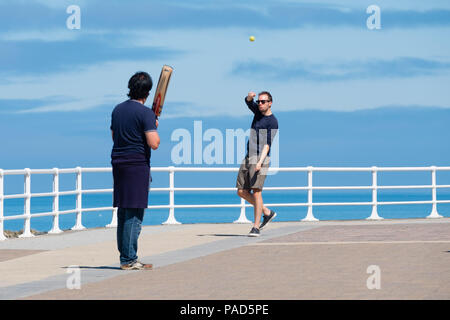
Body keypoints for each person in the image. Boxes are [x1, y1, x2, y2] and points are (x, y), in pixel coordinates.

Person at [110, 71, 160, 270]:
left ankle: (125, 256)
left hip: (118, 162)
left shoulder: (117, 110)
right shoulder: (146, 113)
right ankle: (129, 258)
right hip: (137, 163)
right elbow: (154, 143)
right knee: (134, 213)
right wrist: (154, 125)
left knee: (123, 210)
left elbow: (114, 136)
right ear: (147, 92)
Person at [236, 91, 278, 237]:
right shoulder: (257, 112)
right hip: (249, 156)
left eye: (263, 101)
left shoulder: (273, 121)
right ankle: (266, 212)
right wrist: (249, 97)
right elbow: (248, 102)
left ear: (270, 103)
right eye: (259, 101)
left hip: (261, 158)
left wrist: (260, 162)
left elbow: (268, 144)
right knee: (241, 191)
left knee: (256, 191)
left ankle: (256, 227)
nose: (260, 104)